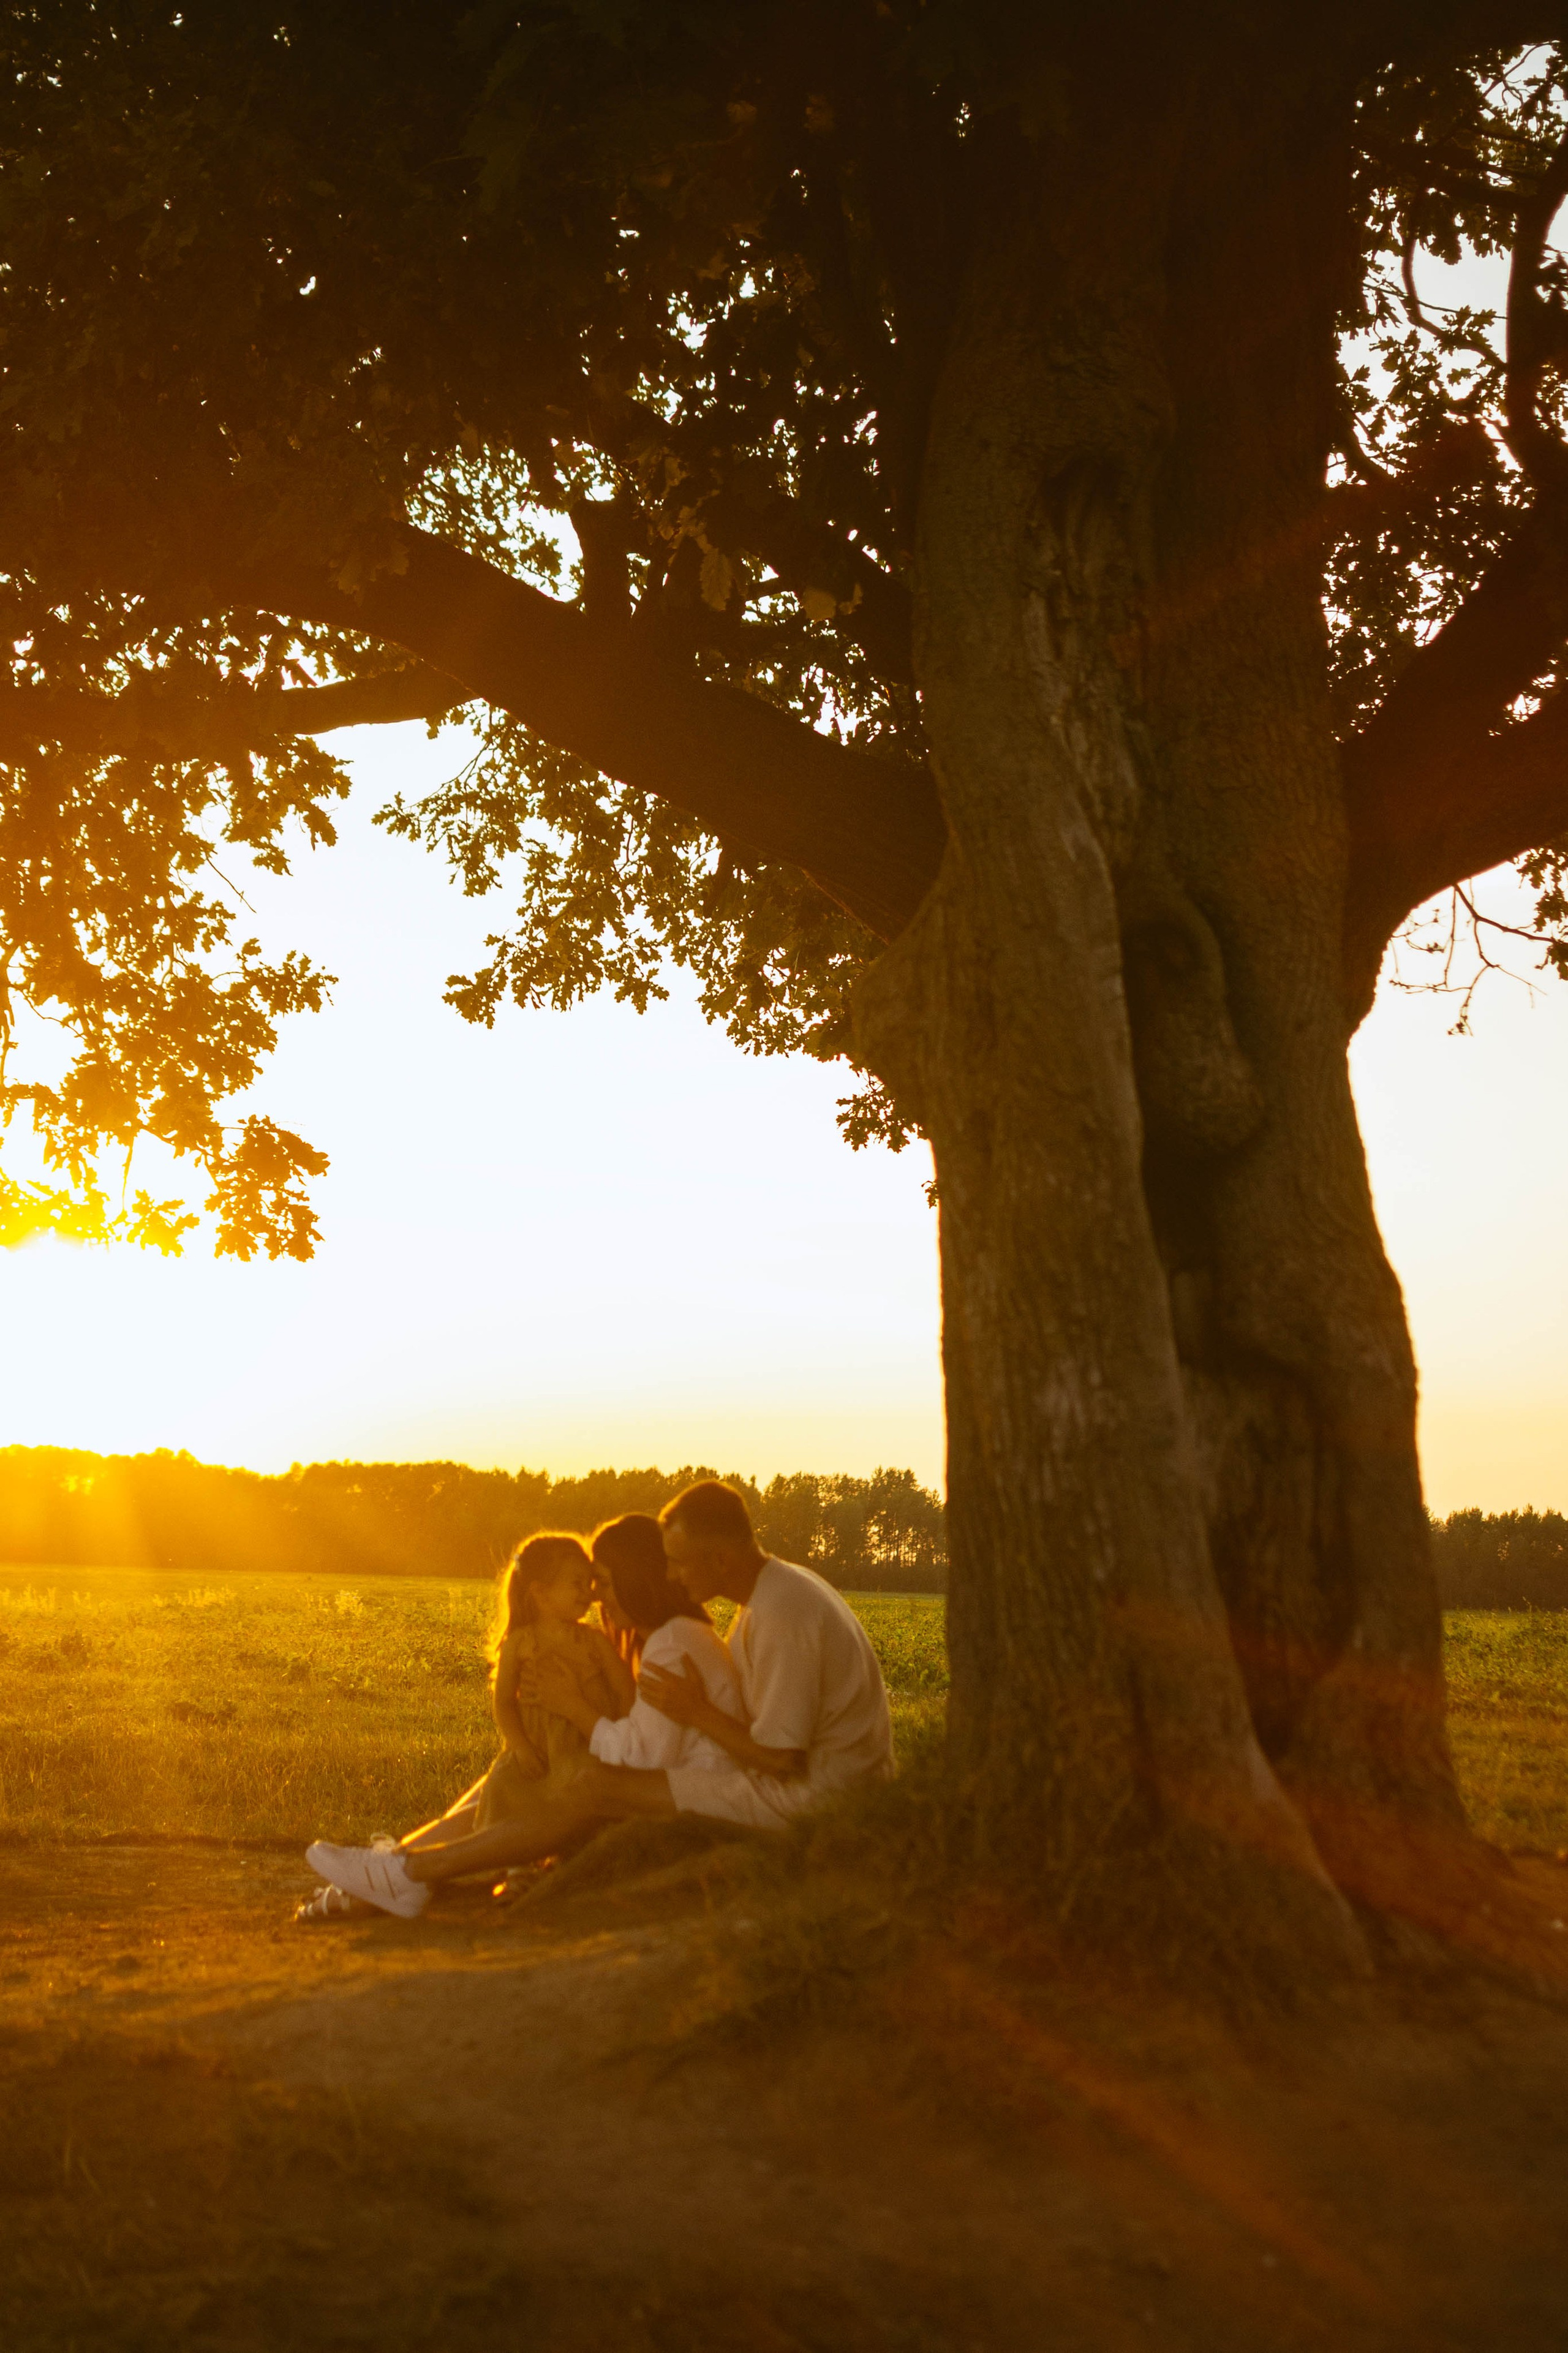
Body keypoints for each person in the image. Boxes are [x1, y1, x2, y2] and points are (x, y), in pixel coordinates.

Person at [308, 1479, 894, 1918]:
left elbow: (783, 1759)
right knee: (526, 1771)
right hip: (779, 1780)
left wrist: (668, 1711)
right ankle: (391, 1868)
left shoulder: (774, 1615)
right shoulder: (765, 1599)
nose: (672, 1574)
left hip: (813, 1799)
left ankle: (409, 1872)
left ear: (719, 1558)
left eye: (677, 1562)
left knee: (587, 1783)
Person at [299, 1529, 631, 1920]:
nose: (589, 1595)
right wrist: (521, 1746)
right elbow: (504, 1704)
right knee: (505, 1794)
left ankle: (402, 1872)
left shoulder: (593, 1642)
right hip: (538, 1749)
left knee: (548, 1800)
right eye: (578, 1584)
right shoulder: (522, 1644)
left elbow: (627, 1699)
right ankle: (414, 1870)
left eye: (591, 1584)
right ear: (541, 1593)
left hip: (583, 1749)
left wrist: (591, 1713)